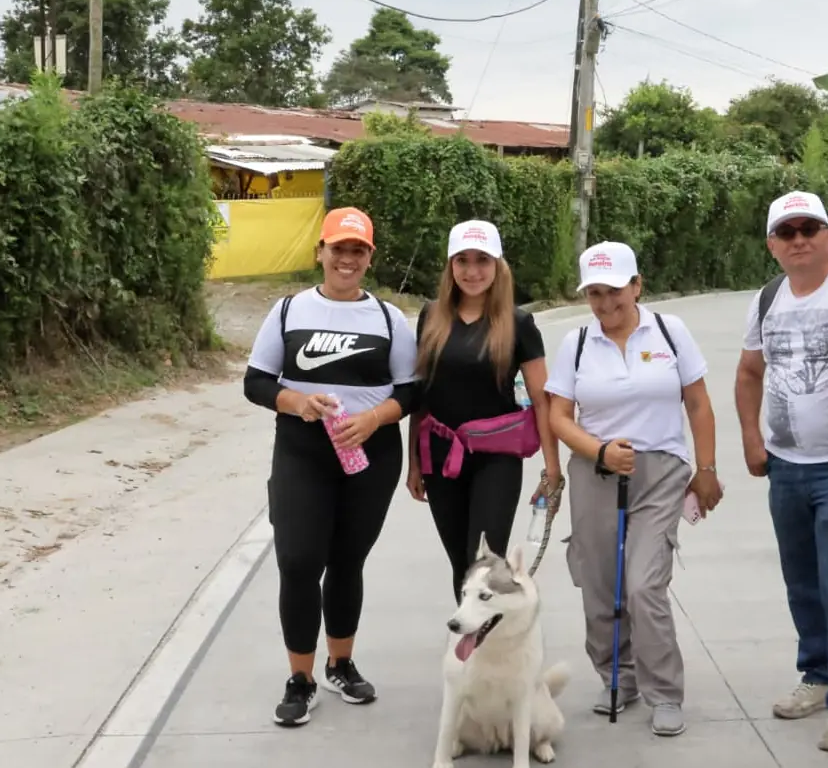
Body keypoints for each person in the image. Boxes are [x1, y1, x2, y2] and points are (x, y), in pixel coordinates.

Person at [243, 206, 420, 727]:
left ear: (370, 257)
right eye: (338, 248)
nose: (347, 259)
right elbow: (256, 382)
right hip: (303, 452)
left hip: (371, 454)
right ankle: (300, 679)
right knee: (299, 561)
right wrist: (297, 402)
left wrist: (373, 419)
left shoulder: (389, 319)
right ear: (320, 251)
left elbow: (412, 391)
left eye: (358, 250)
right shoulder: (287, 311)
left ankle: (341, 664)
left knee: (347, 561)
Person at [545, 240, 722, 738]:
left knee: (644, 583)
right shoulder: (578, 341)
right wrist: (599, 451)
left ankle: (664, 691)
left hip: (660, 472)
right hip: (596, 471)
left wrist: (706, 468)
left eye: (615, 291)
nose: (605, 303)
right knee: (600, 584)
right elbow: (559, 416)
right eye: (595, 293)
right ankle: (617, 677)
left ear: (637, 285)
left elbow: (698, 404)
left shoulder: (669, 331)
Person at [733, 191, 828, 752]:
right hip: (785, 467)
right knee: (802, 583)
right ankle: (817, 675)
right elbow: (749, 372)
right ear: (772, 244)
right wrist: (752, 438)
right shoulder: (767, 298)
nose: (798, 240)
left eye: (809, 229)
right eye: (786, 232)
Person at [406, 219, 563, 601]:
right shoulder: (431, 316)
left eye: (482, 260)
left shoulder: (518, 323)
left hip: (496, 459)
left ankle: (487, 634)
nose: (472, 271)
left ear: (498, 266)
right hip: (441, 458)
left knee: (483, 564)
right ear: (450, 265)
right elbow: (422, 395)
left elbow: (542, 399)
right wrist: (413, 463)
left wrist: (552, 468)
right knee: (461, 565)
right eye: (463, 260)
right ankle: (473, 638)